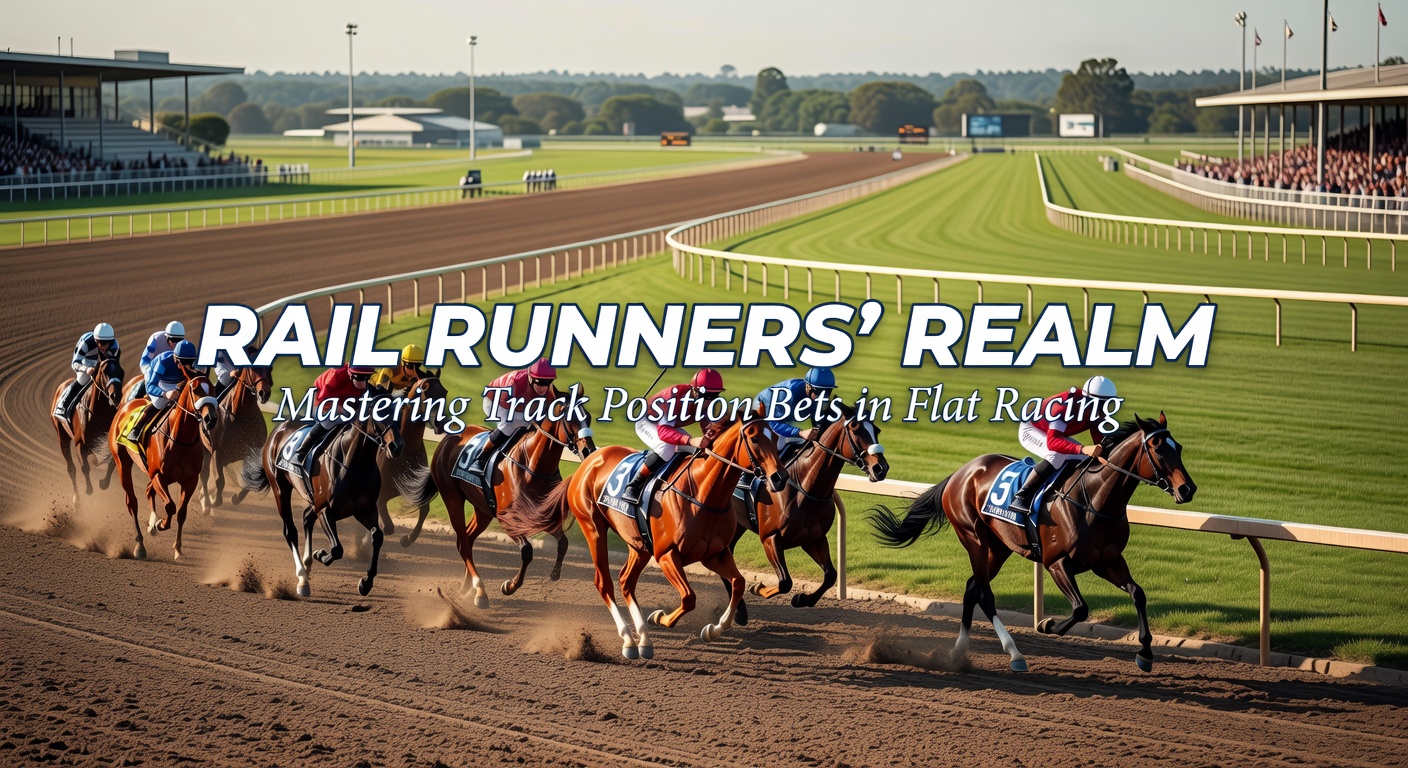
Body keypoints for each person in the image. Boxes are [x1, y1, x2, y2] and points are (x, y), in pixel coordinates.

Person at [1010, 375, 1118, 558]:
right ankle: (1022, 495)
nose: (1102, 410)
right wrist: (1083, 448)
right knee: (1057, 455)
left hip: (1052, 433)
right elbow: (1053, 443)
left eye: (1106, 405)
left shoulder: (1094, 408)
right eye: (1100, 404)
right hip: (1032, 429)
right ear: (1088, 398)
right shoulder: (1064, 406)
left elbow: (1098, 437)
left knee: (1084, 461)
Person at [621, 368, 726, 505]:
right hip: (647, 421)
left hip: (668, 426)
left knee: (699, 452)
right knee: (666, 448)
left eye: (715, 395)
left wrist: (711, 439)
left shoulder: (706, 403)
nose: (709, 401)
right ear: (694, 390)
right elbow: (663, 432)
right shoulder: (675, 398)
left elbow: (707, 427)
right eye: (705, 395)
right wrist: (691, 440)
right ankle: (634, 485)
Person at [466, 358, 557, 477]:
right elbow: (507, 405)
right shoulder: (514, 381)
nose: (543, 388)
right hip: (495, 401)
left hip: (519, 405)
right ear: (530, 376)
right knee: (511, 424)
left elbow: (552, 405)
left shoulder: (547, 388)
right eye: (539, 382)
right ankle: (481, 458)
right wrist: (530, 415)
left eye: (547, 382)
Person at [289, 363, 377, 466]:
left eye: (366, 378)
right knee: (328, 421)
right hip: (324, 395)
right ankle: (301, 451)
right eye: (359, 378)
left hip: (347, 397)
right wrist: (338, 406)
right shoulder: (336, 375)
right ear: (349, 373)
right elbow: (323, 397)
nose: (363, 383)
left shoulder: (361, 377)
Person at [127, 340, 199, 443]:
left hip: (179, 382)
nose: (185, 366)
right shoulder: (163, 362)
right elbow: (152, 386)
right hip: (160, 382)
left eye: (189, 362)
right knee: (159, 403)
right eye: (181, 361)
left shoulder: (193, 364)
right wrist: (165, 393)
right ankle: (137, 428)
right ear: (174, 356)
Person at [754, 367, 836, 456]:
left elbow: (818, 423)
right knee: (779, 443)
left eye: (828, 391)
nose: (823, 396)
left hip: (785, 413)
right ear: (808, 386)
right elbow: (773, 423)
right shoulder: (786, 395)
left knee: (802, 439)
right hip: (764, 410)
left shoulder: (816, 398)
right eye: (818, 392)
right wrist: (800, 432)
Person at [55, 322, 122, 422]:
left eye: (104, 343)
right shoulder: (86, 342)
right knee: (82, 379)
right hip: (85, 362)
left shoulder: (114, 345)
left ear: (110, 341)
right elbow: (75, 362)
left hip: (102, 364)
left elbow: (112, 364)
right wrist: (86, 369)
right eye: (98, 342)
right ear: (94, 339)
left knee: (112, 380)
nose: (100, 346)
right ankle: (63, 405)